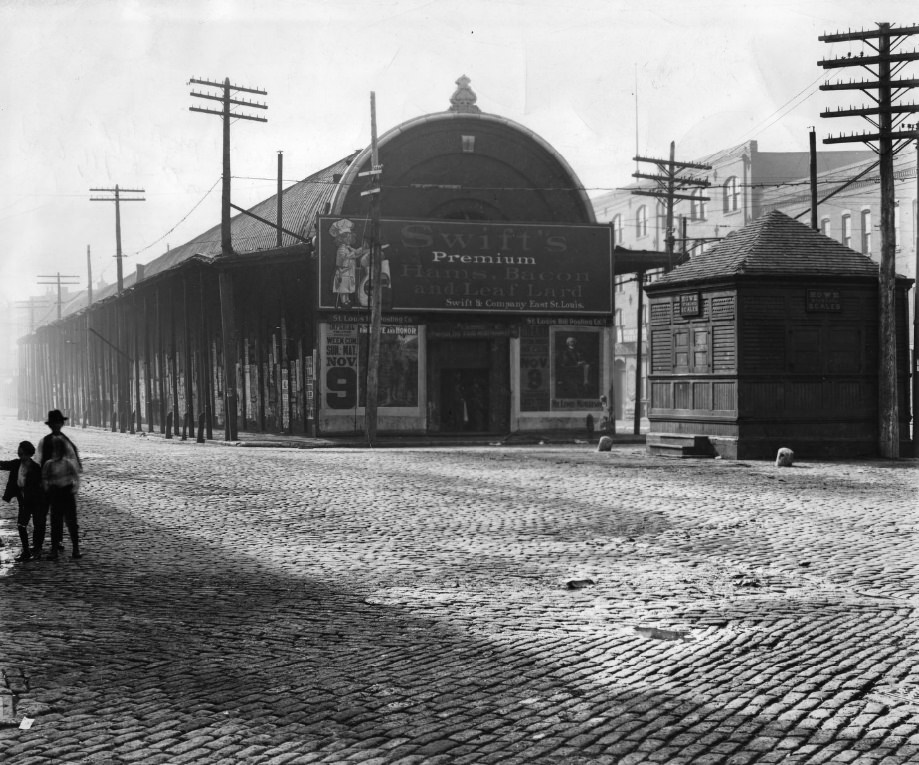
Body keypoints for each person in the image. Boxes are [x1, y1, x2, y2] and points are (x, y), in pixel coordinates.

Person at [37, 410, 83, 559]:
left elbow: (75, 465)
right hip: (52, 488)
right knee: (54, 518)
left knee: (71, 519)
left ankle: (74, 547)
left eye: (58, 423)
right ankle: (54, 546)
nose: (56, 425)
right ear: (50, 425)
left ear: (61, 424)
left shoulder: (67, 442)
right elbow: (40, 462)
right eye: (53, 423)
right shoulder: (44, 442)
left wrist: (73, 485)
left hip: (66, 488)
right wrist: (44, 483)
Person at [1, 441, 45, 561]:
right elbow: (3, 465)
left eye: (21, 450)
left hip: (35, 501)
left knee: (38, 524)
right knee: (21, 525)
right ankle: (26, 550)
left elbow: (40, 485)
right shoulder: (16, 463)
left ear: (26, 452)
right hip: (23, 500)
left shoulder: (35, 467)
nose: (19, 452)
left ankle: (37, 548)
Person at [329, 218, 369, 307]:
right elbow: (341, 260)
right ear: (340, 238)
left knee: (348, 287)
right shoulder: (341, 249)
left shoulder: (348, 247)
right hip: (343, 271)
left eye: (349, 236)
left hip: (349, 270)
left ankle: (347, 300)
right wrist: (352, 255)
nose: (348, 238)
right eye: (346, 237)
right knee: (343, 288)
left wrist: (362, 250)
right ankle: (344, 302)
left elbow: (355, 253)